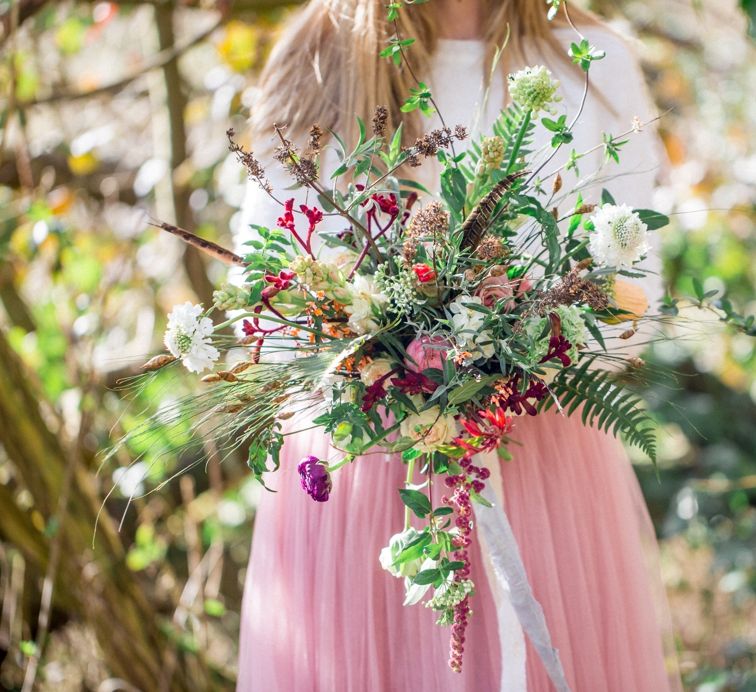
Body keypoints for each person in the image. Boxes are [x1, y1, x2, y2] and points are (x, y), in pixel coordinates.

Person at [234, 1, 681, 689]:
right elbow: (263, 293)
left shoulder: (591, 59)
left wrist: (515, 338)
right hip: (361, 477)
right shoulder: (318, 52)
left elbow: (634, 294)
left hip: (540, 460)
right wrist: (384, 342)